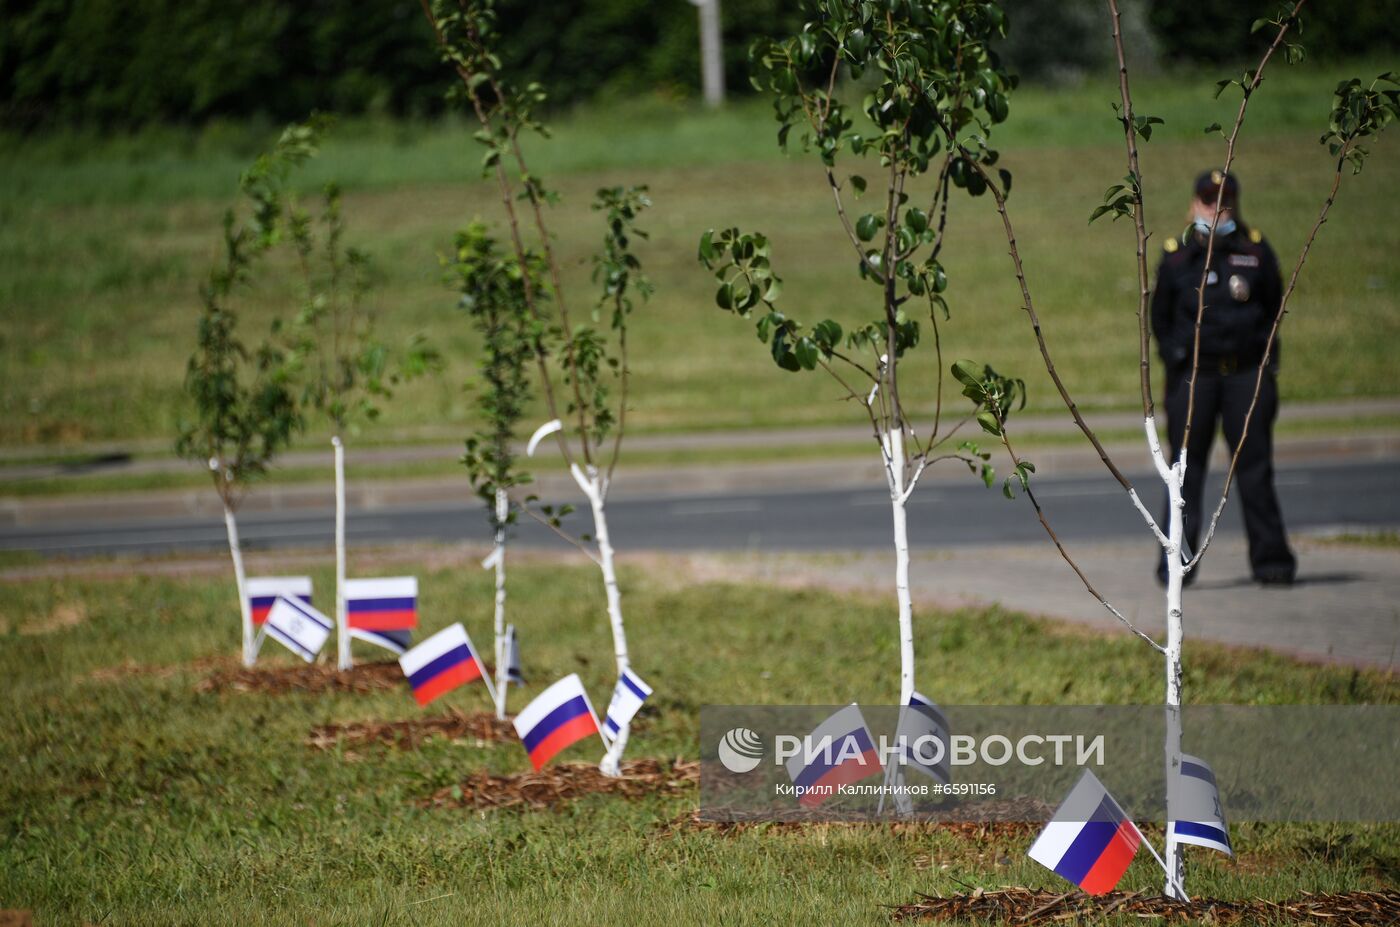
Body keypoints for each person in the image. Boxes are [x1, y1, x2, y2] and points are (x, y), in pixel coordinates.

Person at [1150, 169, 1297, 587]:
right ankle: (1176, 565)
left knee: (1254, 469)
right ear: (1195, 204)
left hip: (1245, 376)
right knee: (1185, 471)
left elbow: (1272, 303)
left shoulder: (1254, 251)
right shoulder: (1178, 255)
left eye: (1225, 200)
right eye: (1209, 201)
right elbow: (1160, 316)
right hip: (1195, 379)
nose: (1217, 209)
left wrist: (1265, 362)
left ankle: (1272, 563)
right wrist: (1176, 358)